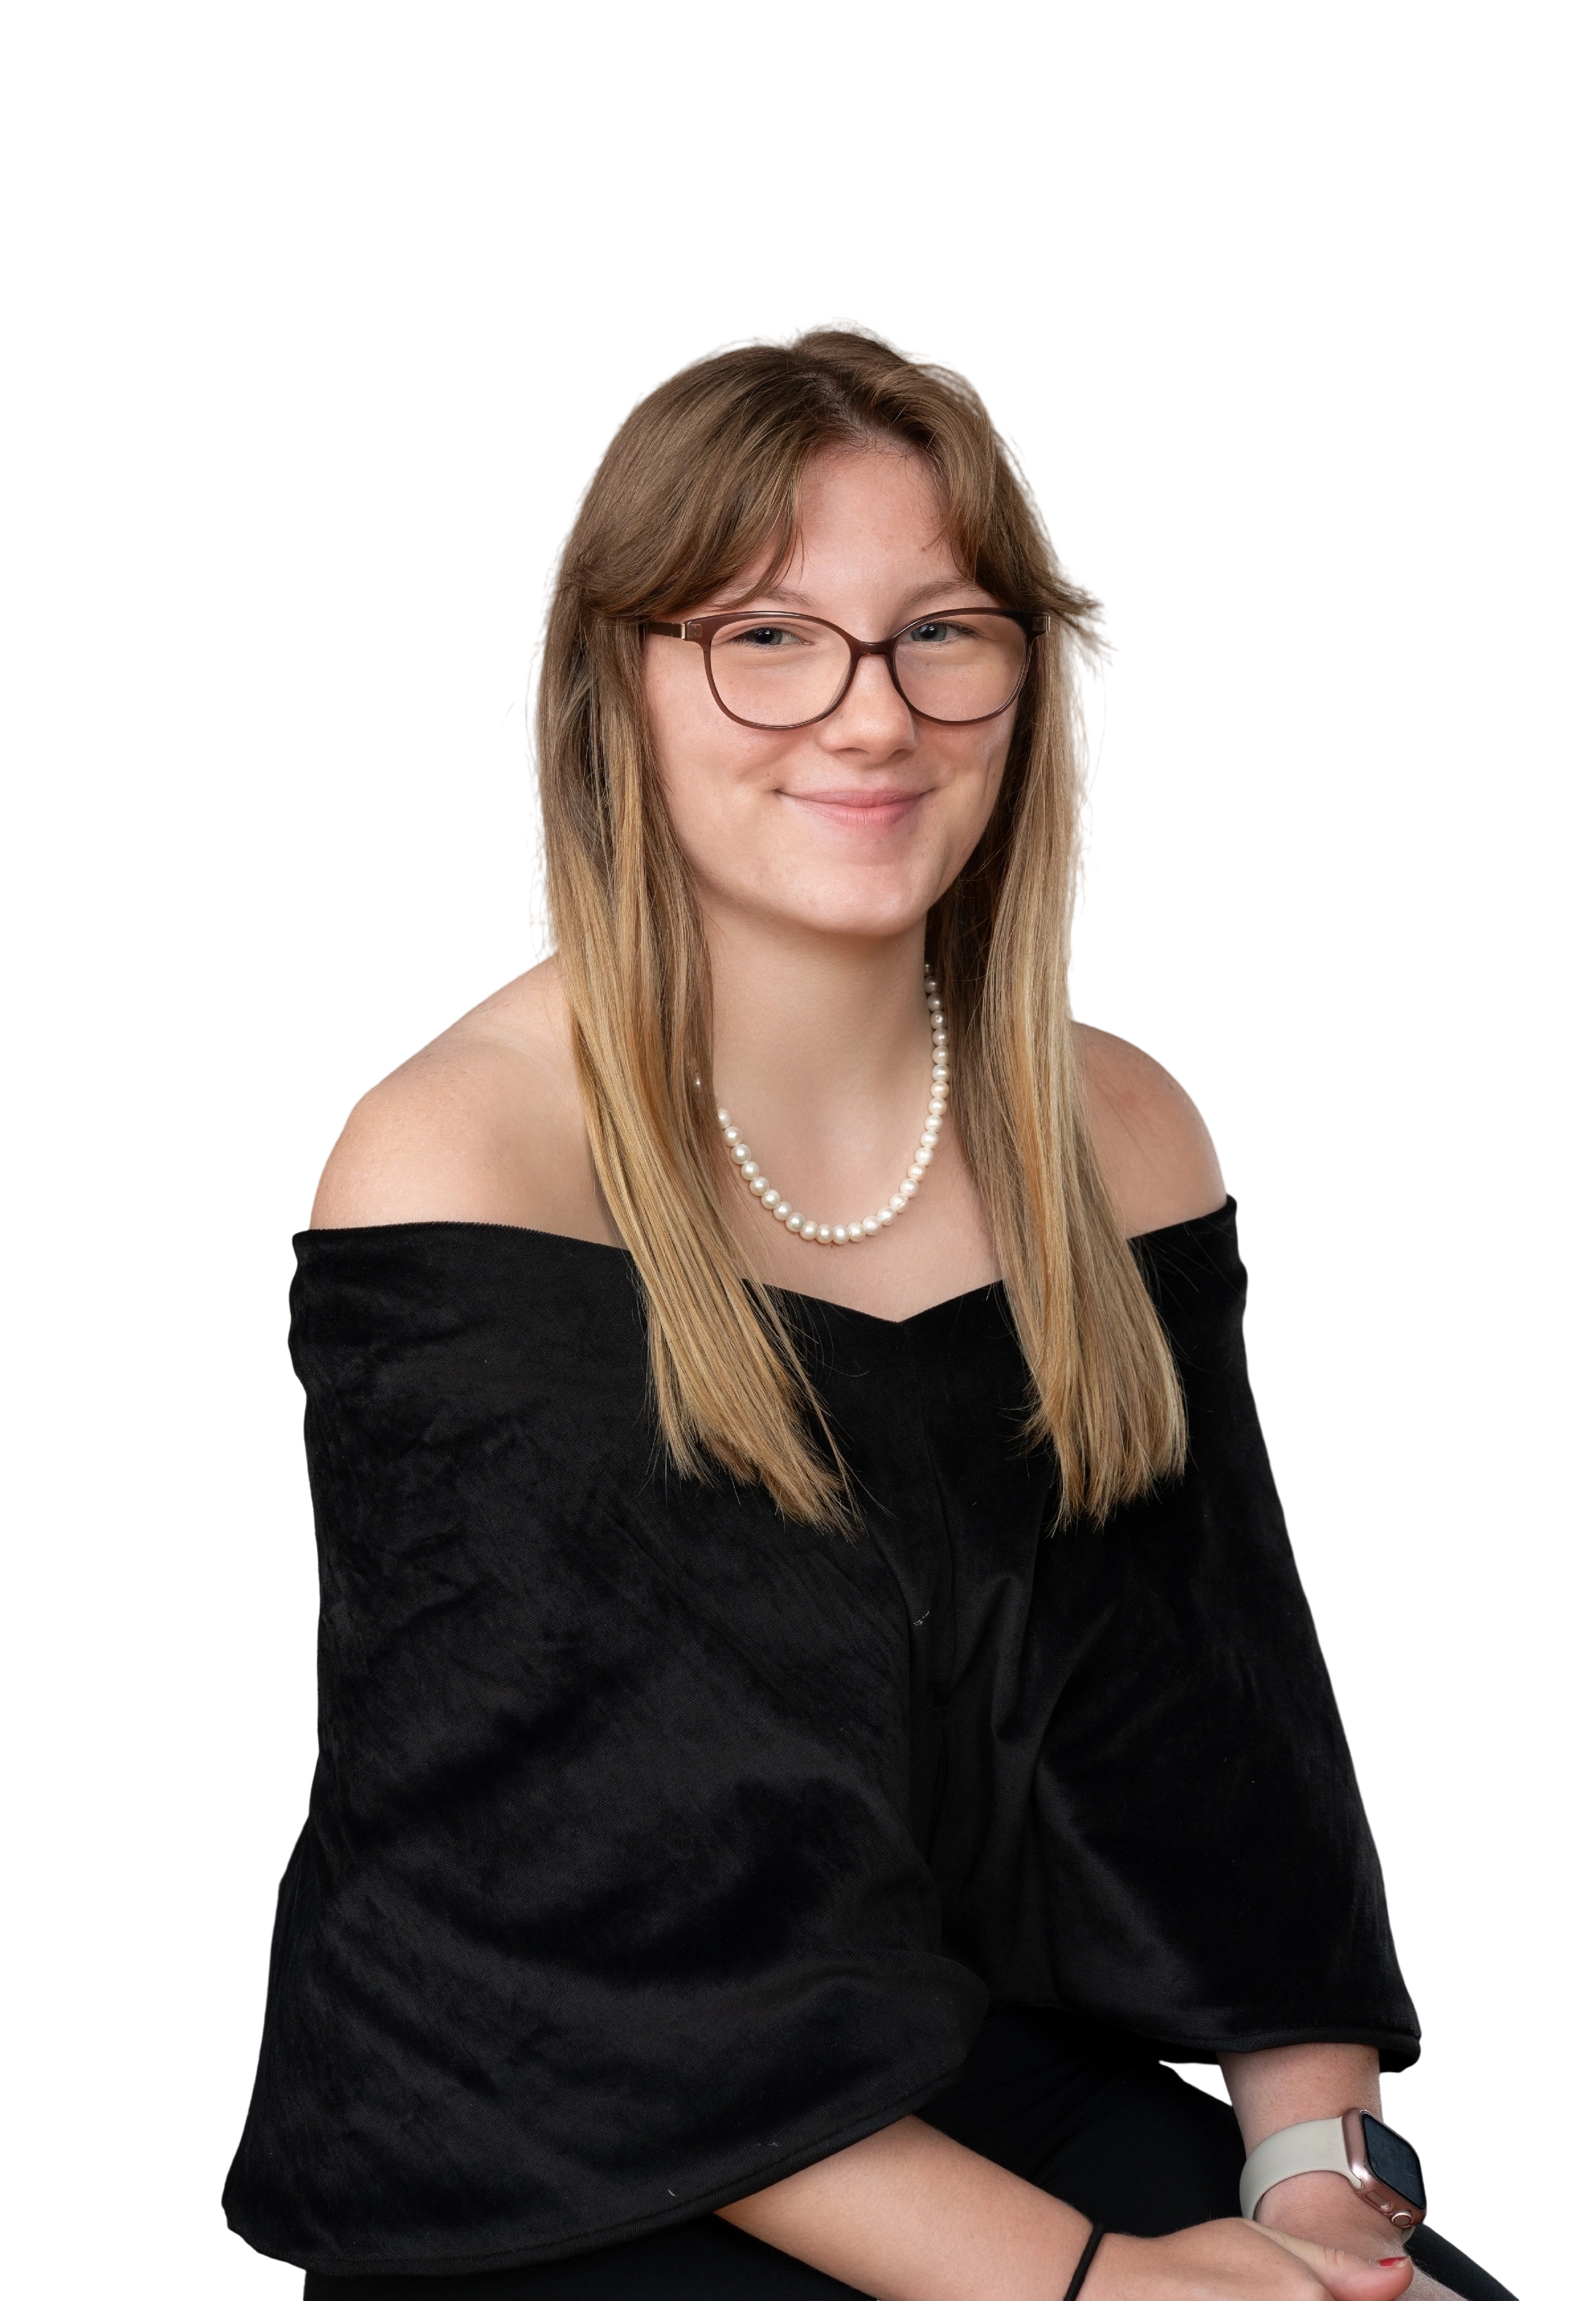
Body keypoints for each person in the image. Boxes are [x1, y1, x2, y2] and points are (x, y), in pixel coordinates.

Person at [220, 315, 1520, 2301]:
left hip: (967, 2067)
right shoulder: (458, 1163)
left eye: (941, 633)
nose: (870, 718)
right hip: (550, 2143)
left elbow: (1219, 1738)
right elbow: (554, 1921)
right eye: (765, 633)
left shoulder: (1119, 1131)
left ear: (1030, 676)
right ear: (616, 682)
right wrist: (1090, 2286)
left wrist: (1311, 2176)